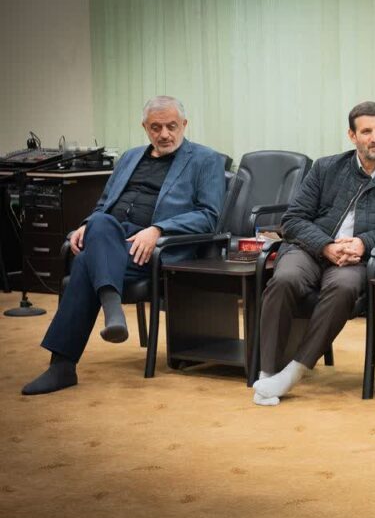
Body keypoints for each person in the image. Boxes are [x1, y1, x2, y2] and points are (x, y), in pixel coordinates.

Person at [21, 96, 225, 395]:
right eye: (156, 127)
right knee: (99, 222)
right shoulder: (129, 158)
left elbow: (209, 216)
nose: (164, 134)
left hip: (155, 248)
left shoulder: (206, 160)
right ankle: (111, 307)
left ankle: (62, 365)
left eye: (171, 126)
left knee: (84, 262)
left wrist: (157, 229)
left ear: (184, 124)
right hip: (112, 240)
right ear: (145, 127)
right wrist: (86, 225)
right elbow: (103, 206)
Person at [252, 101, 375, 406]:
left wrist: (364, 243)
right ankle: (267, 371)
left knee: (343, 287)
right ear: (352, 135)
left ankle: (294, 371)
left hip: (360, 257)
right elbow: (293, 220)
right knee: (284, 279)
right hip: (312, 249)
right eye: (367, 131)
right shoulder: (326, 167)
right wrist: (326, 246)